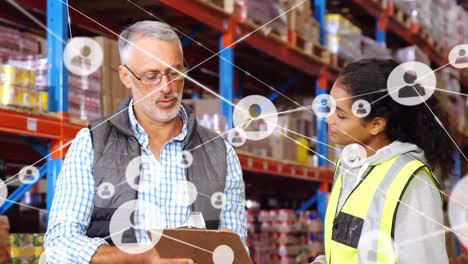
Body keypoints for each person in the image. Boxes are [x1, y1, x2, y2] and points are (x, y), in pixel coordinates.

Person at [44, 21, 247, 264]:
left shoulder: (220, 153)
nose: (167, 88)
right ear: (126, 76)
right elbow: (59, 242)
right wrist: (139, 259)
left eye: (175, 73)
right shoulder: (91, 143)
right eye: (151, 76)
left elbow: (235, 249)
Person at [313, 59, 453, 264]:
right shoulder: (348, 167)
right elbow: (347, 249)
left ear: (376, 124)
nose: (328, 119)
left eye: (341, 115)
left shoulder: (412, 180)